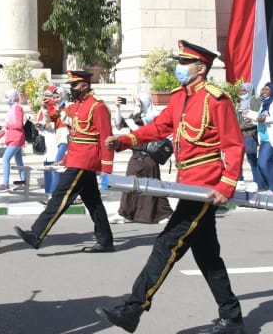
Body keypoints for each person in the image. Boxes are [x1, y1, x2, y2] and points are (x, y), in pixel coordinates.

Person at [96, 40, 246, 334]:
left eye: (184, 62)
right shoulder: (180, 97)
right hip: (187, 184)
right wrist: (125, 140)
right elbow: (159, 127)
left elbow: (234, 144)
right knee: (207, 256)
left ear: (200, 68)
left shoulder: (216, 99)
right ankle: (233, 319)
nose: (179, 67)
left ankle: (133, 309)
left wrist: (226, 186)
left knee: (166, 244)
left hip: (205, 188)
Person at [14, 70, 115, 253]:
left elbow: (106, 138)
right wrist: (50, 107)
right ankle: (105, 240)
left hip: (85, 161)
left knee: (60, 197)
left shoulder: (97, 107)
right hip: (76, 158)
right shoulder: (78, 105)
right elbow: (66, 124)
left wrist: (106, 168)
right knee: (93, 202)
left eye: (74, 85)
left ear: (84, 86)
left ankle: (37, 234)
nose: (72, 89)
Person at [112, 93, 172, 224]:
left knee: (154, 186)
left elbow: (138, 127)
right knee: (129, 185)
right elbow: (118, 124)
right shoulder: (134, 117)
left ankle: (164, 214)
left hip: (149, 157)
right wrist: (117, 107)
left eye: (138, 102)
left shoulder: (153, 117)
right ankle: (124, 213)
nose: (136, 105)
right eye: (135, 103)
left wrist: (137, 111)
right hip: (136, 156)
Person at [0, 89, 27, 192]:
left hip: (16, 138)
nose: (6, 99)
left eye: (7, 97)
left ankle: (5, 184)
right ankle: (24, 183)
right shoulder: (11, 109)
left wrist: (8, 125)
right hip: (13, 138)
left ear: (12, 97)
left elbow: (19, 125)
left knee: (5, 159)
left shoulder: (17, 108)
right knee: (19, 161)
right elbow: (5, 128)